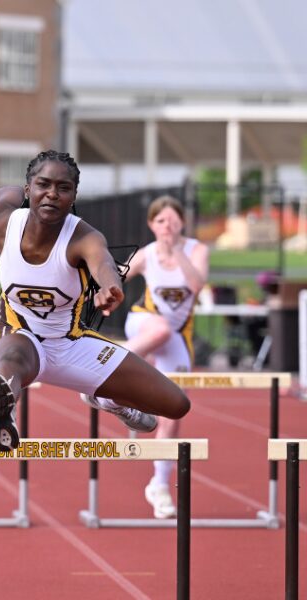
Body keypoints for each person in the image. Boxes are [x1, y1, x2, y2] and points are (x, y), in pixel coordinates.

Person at [0, 150, 190, 453]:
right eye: (43, 185)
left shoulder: (83, 237)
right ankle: (3, 409)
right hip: (13, 335)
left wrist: (110, 288)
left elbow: (103, 264)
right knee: (15, 356)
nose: (52, 194)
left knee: (177, 404)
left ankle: (106, 399)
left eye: (63, 188)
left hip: (71, 344)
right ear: (29, 190)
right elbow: (4, 194)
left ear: (74, 194)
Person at [119, 195, 209, 518]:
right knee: (159, 330)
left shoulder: (196, 250)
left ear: (182, 222)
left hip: (178, 338)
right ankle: (109, 364)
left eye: (172, 221)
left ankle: (158, 485)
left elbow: (197, 285)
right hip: (145, 323)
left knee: (172, 411)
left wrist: (175, 253)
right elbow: (116, 276)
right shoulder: (146, 255)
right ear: (151, 225)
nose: (167, 227)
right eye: (161, 222)